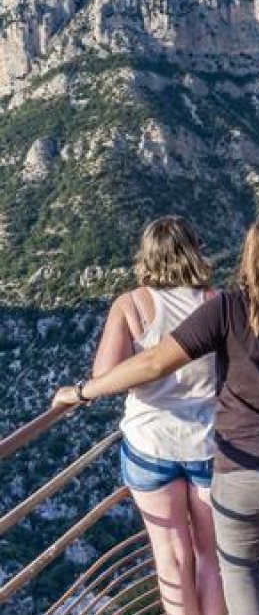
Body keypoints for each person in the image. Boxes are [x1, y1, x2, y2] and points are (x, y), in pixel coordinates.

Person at [57, 216, 259, 615]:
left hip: (242, 462)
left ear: (247, 257)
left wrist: (81, 392)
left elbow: (152, 365)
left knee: (240, 570)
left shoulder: (228, 309)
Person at [53, 217, 225, 615]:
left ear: (146, 256)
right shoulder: (217, 302)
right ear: (194, 250)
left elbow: (104, 376)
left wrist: (77, 393)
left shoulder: (130, 305)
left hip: (150, 444)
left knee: (172, 558)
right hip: (209, 444)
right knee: (211, 560)